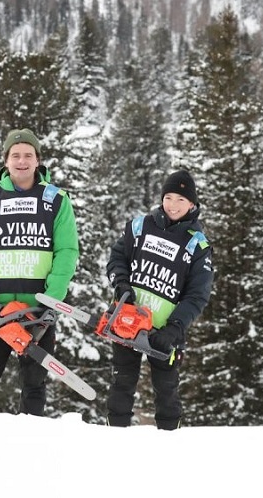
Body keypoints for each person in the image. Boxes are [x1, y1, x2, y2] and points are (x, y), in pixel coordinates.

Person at [0, 129, 79, 415]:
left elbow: (67, 252)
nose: (21, 161)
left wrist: (51, 301)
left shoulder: (56, 200)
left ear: (38, 160)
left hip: (38, 311)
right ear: (6, 160)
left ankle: (32, 450)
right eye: (15, 155)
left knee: (34, 385)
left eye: (28, 155)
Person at [105, 169, 214, 430]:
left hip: (164, 332)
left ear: (192, 204)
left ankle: (169, 443)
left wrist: (175, 327)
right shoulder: (140, 226)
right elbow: (116, 259)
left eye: (181, 200)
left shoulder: (198, 246)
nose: (173, 205)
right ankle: (113, 438)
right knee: (122, 383)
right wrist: (121, 285)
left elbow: (198, 295)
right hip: (128, 321)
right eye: (169, 197)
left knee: (167, 392)